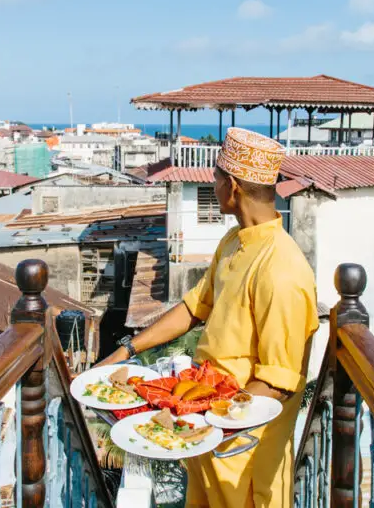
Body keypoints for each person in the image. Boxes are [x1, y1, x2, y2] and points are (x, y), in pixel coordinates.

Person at [99, 127, 319, 507]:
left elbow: (279, 383)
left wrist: (195, 417)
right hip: (209, 434)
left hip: (244, 452)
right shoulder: (235, 241)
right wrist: (125, 352)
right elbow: (192, 308)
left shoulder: (282, 269)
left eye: (216, 178)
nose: (213, 185)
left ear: (232, 186)